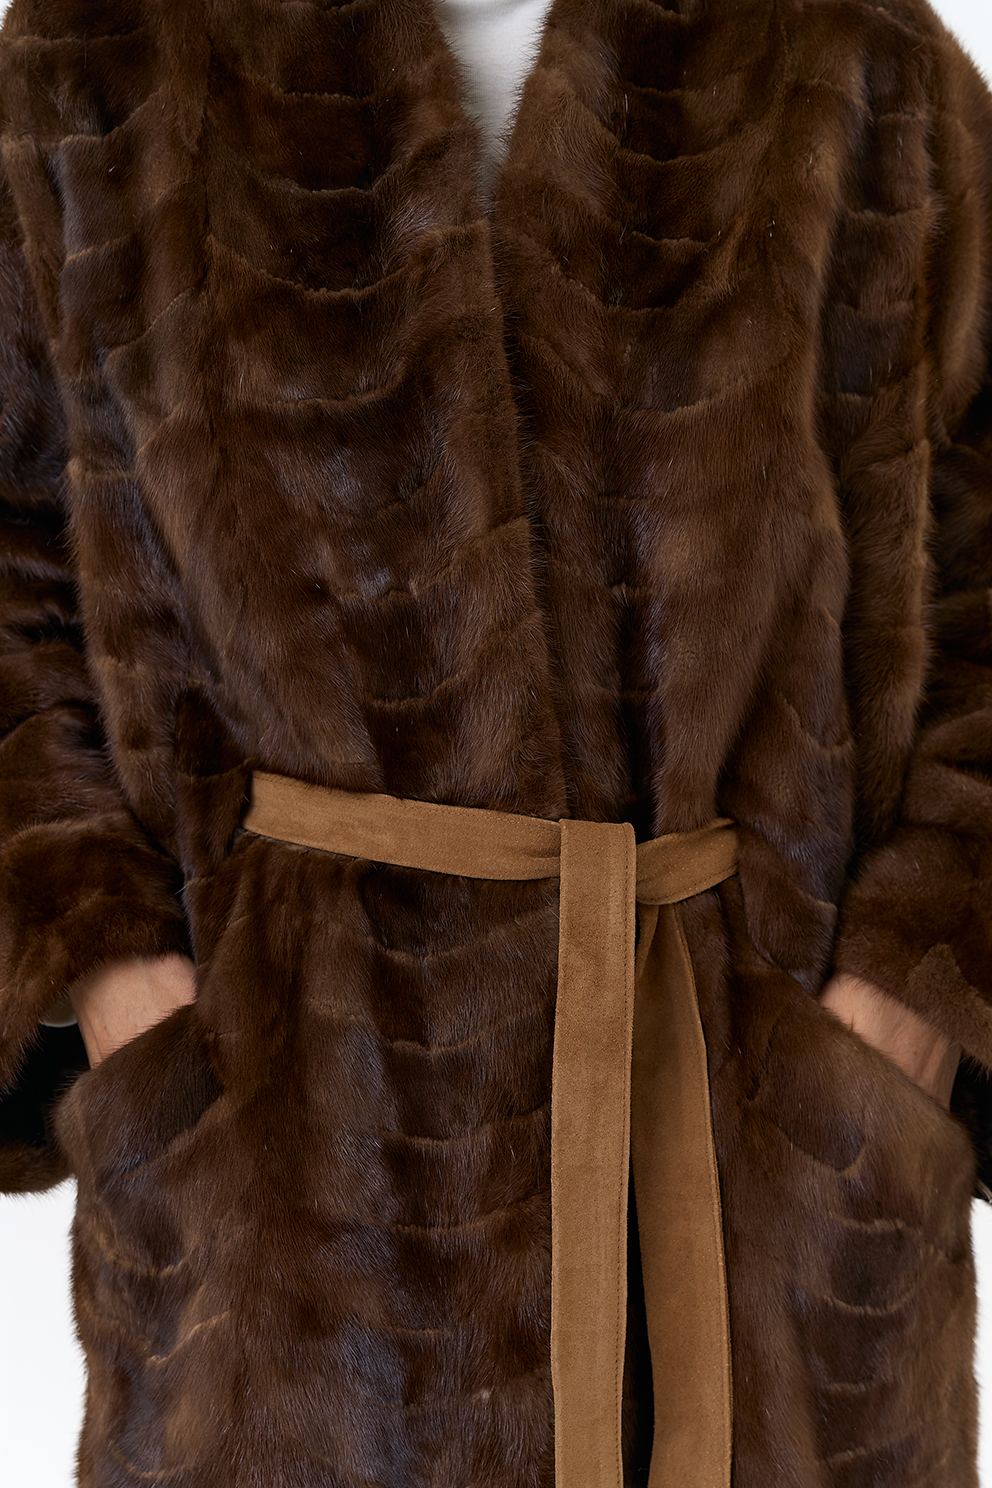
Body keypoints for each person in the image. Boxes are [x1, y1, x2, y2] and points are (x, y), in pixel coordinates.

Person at [0, 0, 988, 1481]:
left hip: (748, 1170)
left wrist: (908, 1002)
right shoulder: (99, 56)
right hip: (282, 1198)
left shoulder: (857, 60)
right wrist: (111, 980)